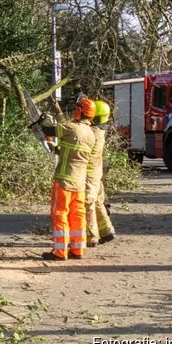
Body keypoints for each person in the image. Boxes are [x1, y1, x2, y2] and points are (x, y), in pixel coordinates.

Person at [38, 97, 96, 261]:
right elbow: (73, 153)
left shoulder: (72, 128)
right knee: (77, 215)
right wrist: (57, 149)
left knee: (60, 214)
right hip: (79, 183)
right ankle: (77, 250)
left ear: (80, 111)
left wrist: (41, 121)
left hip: (64, 181)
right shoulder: (91, 134)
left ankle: (59, 251)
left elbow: (50, 130)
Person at [85, 101, 116, 247]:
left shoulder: (92, 132)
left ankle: (92, 237)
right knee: (98, 202)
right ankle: (107, 231)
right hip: (96, 173)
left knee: (88, 203)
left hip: (89, 174)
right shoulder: (100, 130)